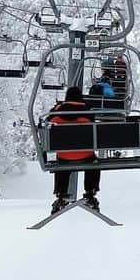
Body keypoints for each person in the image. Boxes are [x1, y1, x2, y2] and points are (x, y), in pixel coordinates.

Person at [49, 85, 101, 214]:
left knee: (62, 163)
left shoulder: (57, 110)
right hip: (85, 155)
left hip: (64, 156)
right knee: (93, 163)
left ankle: (61, 194)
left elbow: (48, 123)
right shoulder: (87, 110)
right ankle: (90, 193)